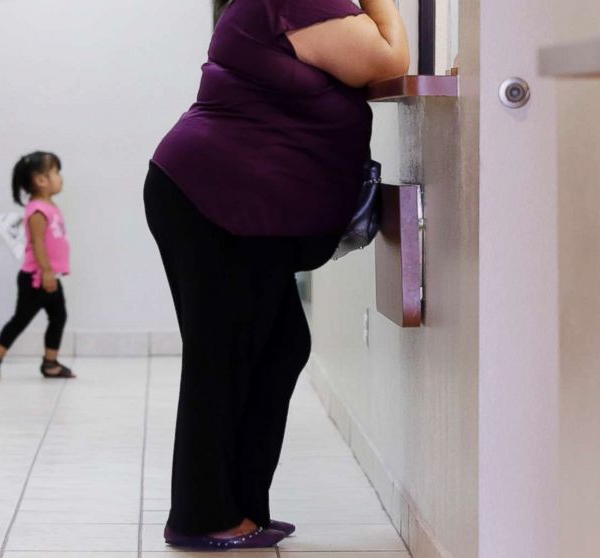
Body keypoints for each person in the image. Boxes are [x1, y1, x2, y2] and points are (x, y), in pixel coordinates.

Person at [144, 0, 409, 549]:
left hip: (229, 200)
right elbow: (386, 62)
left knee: (279, 344)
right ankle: (204, 516)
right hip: (215, 199)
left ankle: (240, 508)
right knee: (225, 354)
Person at [0, 152, 73, 381]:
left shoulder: (48, 206)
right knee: (21, 320)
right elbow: (38, 242)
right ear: (41, 180)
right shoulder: (37, 210)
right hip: (37, 278)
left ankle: (50, 362)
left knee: (59, 317)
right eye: (56, 172)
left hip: (50, 277)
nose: (60, 177)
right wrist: (47, 272)